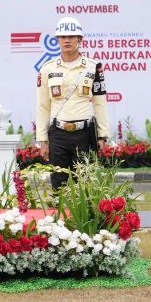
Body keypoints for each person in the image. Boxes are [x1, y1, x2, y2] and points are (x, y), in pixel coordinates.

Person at [36, 17, 110, 189]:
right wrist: (42, 140)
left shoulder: (93, 67)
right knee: (59, 185)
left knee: (85, 185)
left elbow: (100, 103)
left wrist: (102, 135)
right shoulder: (47, 69)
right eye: (62, 37)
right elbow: (42, 106)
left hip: (84, 134)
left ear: (80, 39)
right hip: (58, 134)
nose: (67, 40)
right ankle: (60, 216)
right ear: (57, 40)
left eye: (72, 36)